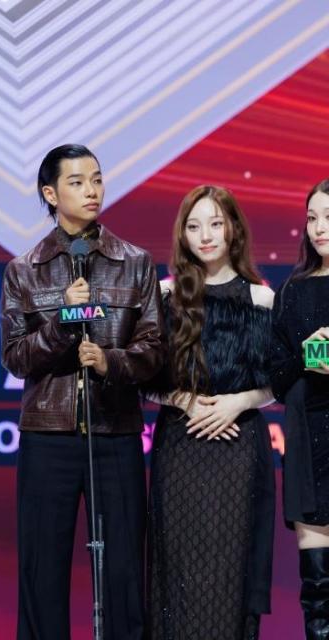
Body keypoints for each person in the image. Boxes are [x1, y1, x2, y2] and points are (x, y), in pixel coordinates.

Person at [0, 144, 165, 640]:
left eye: (96, 179)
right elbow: (14, 356)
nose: (91, 190)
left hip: (115, 430)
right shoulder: (23, 270)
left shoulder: (135, 263)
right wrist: (61, 323)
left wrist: (110, 361)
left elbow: (154, 350)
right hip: (47, 436)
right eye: (76, 182)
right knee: (41, 571)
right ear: (50, 194)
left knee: (123, 572)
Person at [147, 185, 275, 639]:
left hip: (239, 452)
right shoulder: (164, 295)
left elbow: (278, 381)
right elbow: (144, 378)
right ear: (182, 234)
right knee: (177, 578)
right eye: (194, 226)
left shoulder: (262, 299)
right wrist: (187, 402)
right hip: (180, 450)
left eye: (216, 224)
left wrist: (237, 403)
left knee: (230, 575)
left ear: (233, 229)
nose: (205, 235)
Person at [269, 179, 329, 639]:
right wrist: (309, 354)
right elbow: (276, 377)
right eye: (312, 218)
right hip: (310, 443)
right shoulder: (292, 291)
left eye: (328, 217)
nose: (319, 228)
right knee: (319, 591)